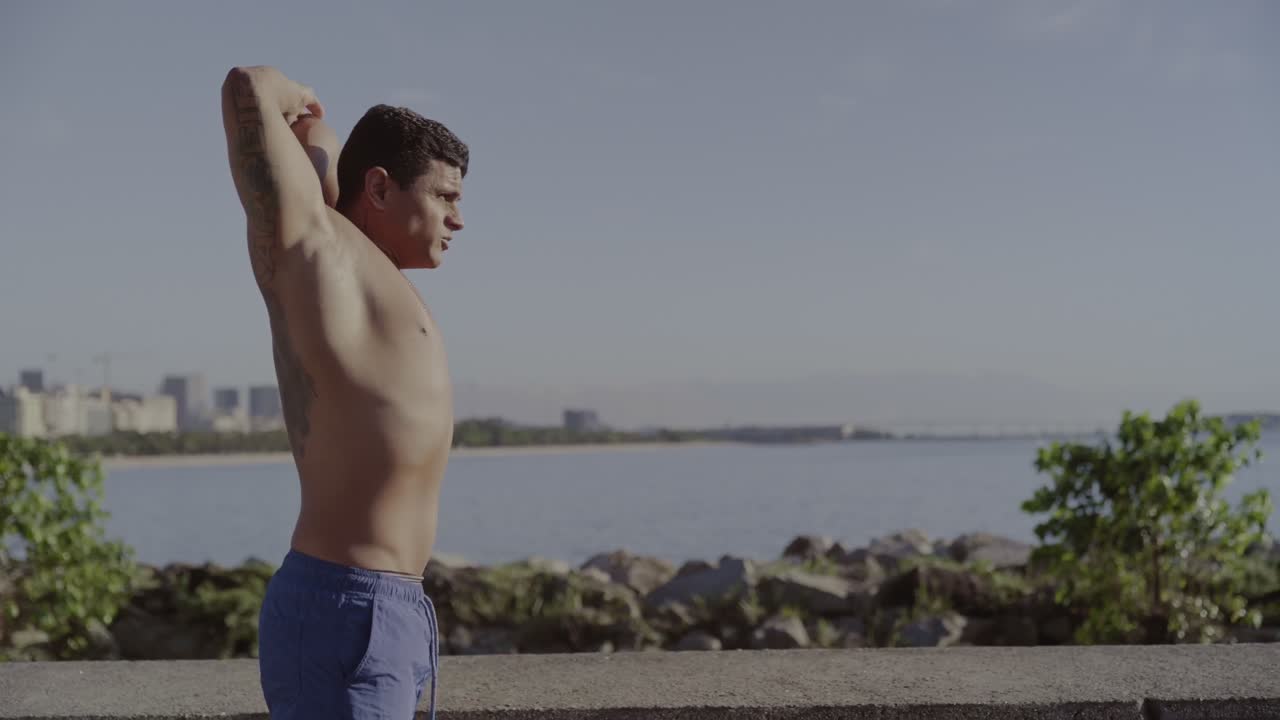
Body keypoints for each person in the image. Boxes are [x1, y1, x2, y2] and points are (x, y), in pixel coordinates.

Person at [220, 65, 468, 719]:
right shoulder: (318, 253)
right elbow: (246, 88)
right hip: (346, 609)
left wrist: (318, 144)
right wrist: (303, 104)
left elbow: (319, 170)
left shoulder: (363, 271)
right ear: (380, 187)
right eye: (445, 197)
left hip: (387, 610)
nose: (459, 219)